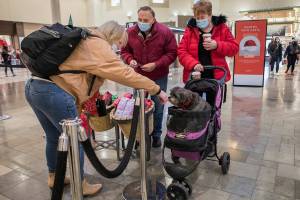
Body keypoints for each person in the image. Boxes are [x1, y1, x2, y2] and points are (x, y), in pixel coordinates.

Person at [25, 21, 168, 196]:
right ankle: (80, 184)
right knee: (75, 140)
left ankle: (54, 176)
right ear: (115, 36)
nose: (119, 48)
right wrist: (156, 89)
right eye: (120, 42)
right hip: (55, 93)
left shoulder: (85, 37)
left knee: (54, 137)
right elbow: (124, 73)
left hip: (34, 87)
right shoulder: (97, 44)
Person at [121, 6, 177, 148]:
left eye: (145, 20)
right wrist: (129, 60)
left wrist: (156, 64)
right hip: (138, 77)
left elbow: (171, 54)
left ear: (153, 20)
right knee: (139, 107)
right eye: (139, 19)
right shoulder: (130, 32)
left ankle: (156, 135)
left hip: (158, 76)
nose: (142, 22)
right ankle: (140, 136)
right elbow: (124, 51)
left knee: (158, 107)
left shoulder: (165, 32)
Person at [177, 0, 238, 83]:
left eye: (202, 17)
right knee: (194, 96)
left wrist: (217, 45)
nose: (199, 20)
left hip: (216, 78)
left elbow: (234, 49)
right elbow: (181, 52)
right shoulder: (190, 30)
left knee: (214, 95)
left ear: (210, 15)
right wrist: (193, 64)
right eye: (197, 18)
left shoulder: (222, 28)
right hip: (195, 77)